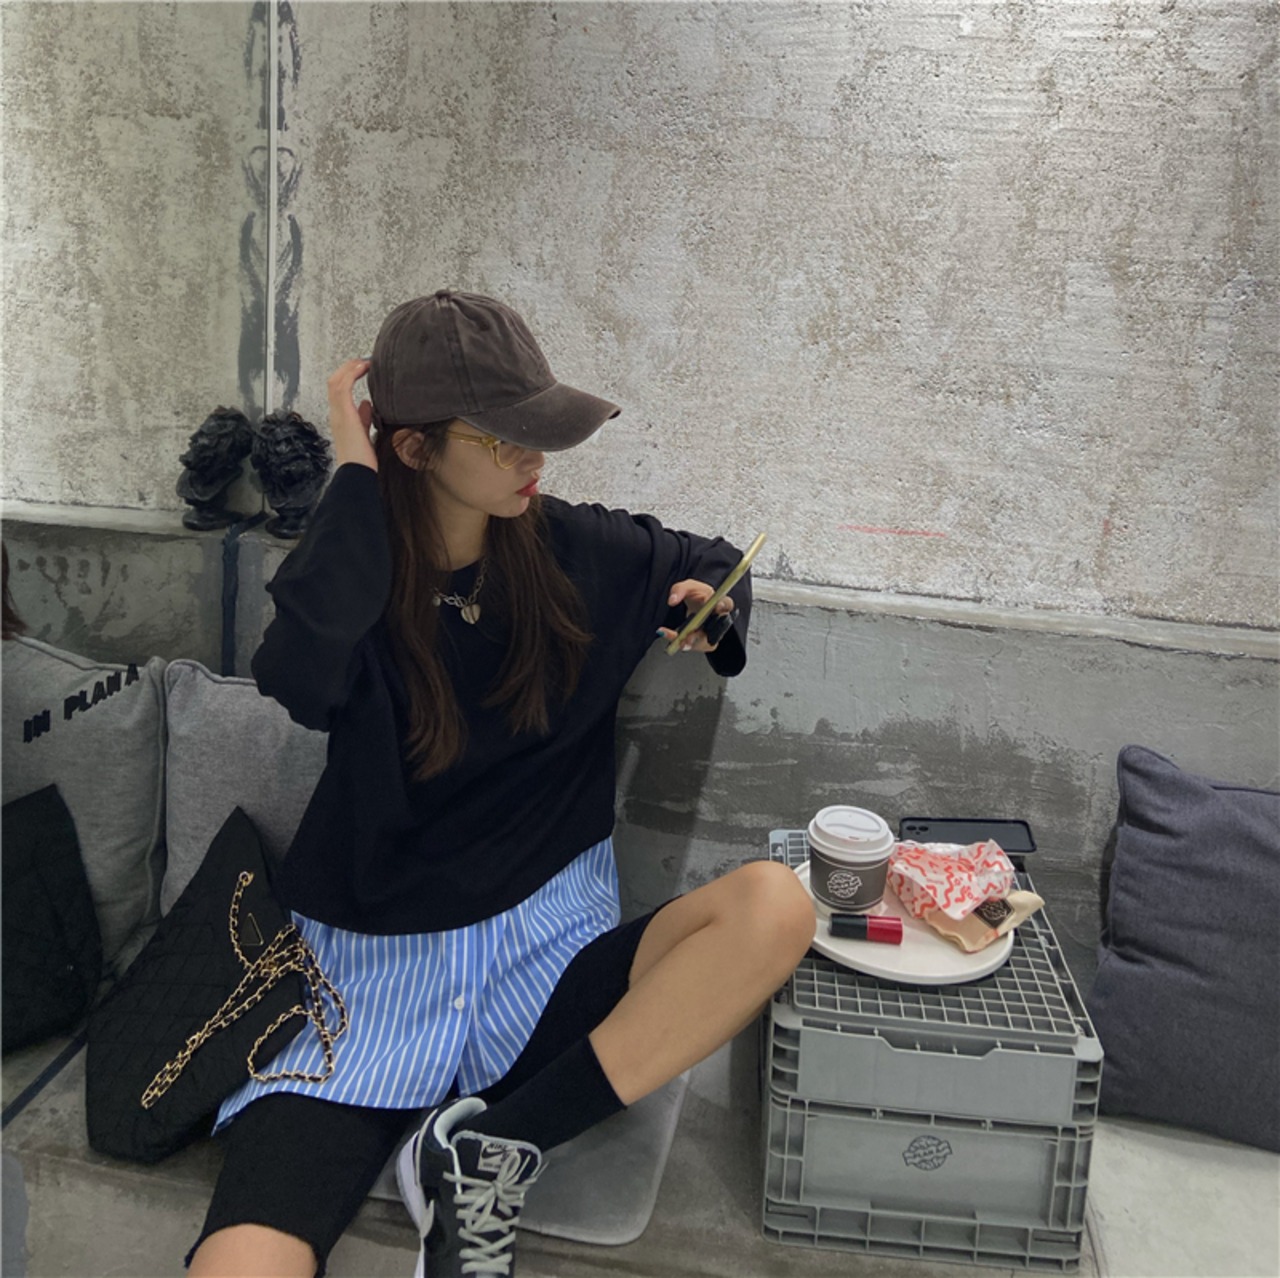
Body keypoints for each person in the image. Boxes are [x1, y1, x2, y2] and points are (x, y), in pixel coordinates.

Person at [187, 290, 814, 1278]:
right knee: (241, 1261)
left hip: (543, 967)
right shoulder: (356, 578)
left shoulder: (573, 553)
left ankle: (488, 1148)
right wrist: (353, 472)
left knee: (776, 906)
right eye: (505, 438)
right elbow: (298, 677)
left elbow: (714, 567)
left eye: (541, 431)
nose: (536, 458)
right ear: (413, 449)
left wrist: (714, 608)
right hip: (367, 991)